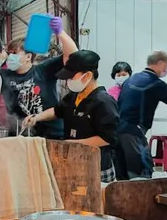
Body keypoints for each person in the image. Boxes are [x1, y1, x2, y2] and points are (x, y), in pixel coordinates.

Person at [22, 50, 119, 182]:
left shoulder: (104, 102)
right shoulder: (74, 96)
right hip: (75, 162)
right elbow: (57, 111)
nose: (68, 81)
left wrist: (73, 144)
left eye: (71, 77)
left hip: (97, 167)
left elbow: (107, 138)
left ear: (87, 76)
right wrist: (36, 117)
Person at [117, 51, 167, 178]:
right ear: (160, 63)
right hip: (134, 133)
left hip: (118, 130)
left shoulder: (131, 79)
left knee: (123, 174)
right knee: (142, 173)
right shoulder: (154, 83)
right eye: (166, 66)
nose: (166, 70)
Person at [2, 16, 78, 140]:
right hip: (20, 137)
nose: (10, 57)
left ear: (28, 57)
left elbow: (74, 57)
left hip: (51, 135)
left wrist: (60, 33)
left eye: (14, 53)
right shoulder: (4, 76)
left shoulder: (44, 70)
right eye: (9, 53)